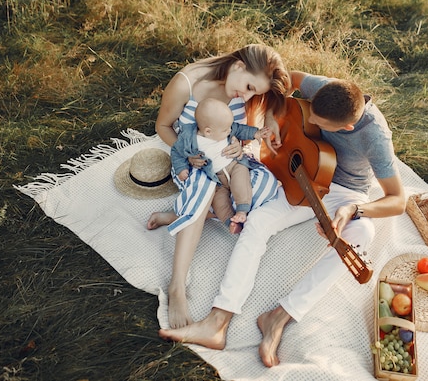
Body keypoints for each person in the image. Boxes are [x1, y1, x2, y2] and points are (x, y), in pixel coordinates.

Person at [157, 71, 407, 368]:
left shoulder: (376, 137)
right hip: (302, 178)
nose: (311, 123)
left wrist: (355, 210)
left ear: (348, 126)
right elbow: (288, 80)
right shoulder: (326, 89)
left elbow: (398, 201)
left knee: (363, 234)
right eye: (311, 115)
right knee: (258, 223)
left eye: (320, 123)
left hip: (346, 192)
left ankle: (279, 317)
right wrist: (276, 119)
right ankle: (217, 322)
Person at [147, 44, 291, 329]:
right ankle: (177, 286)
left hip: (228, 162)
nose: (247, 97)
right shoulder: (186, 84)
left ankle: (183, 216)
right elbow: (162, 126)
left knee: (265, 188)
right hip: (193, 163)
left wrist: (251, 136)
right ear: (238, 66)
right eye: (249, 87)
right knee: (203, 189)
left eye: (254, 94)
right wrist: (189, 154)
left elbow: (285, 89)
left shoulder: (242, 87)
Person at [170, 97, 272, 234]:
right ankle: (231, 221)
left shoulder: (225, 127)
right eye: (226, 130)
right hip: (216, 178)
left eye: (229, 127)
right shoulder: (188, 138)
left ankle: (242, 209)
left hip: (234, 165)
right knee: (218, 200)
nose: (230, 131)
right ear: (208, 132)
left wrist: (255, 133)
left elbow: (239, 129)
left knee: (241, 182)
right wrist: (181, 168)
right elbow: (176, 151)